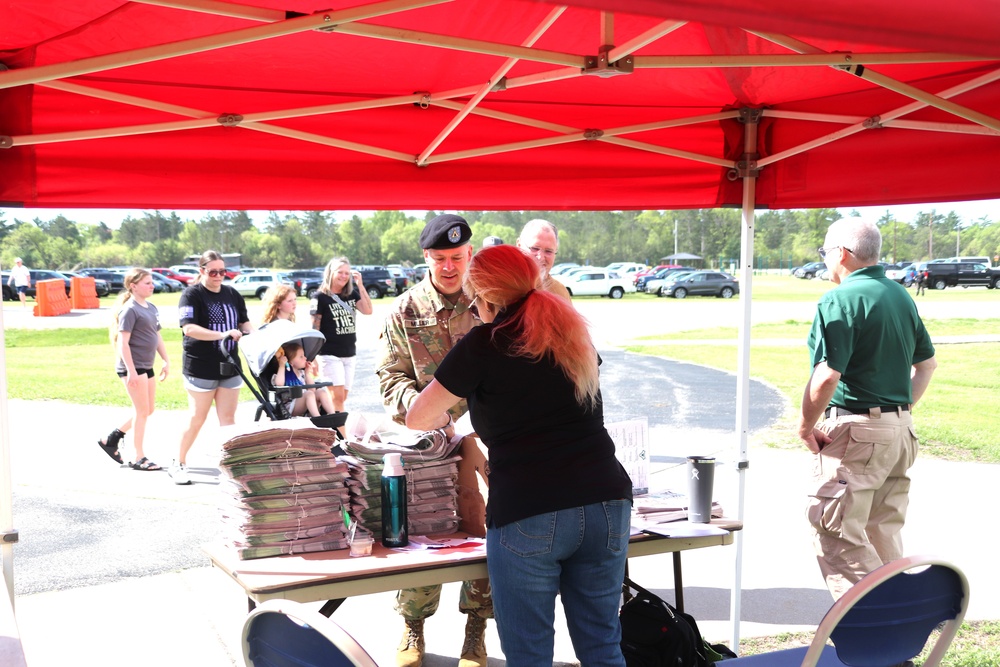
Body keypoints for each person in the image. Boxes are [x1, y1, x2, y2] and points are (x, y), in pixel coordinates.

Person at [406, 245, 633, 666]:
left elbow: (417, 416)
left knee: (529, 655)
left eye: (475, 301)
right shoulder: (571, 333)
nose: (475, 310)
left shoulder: (485, 343)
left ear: (488, 297)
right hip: (607, 499)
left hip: (530, 509)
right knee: (603, 645)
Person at [797, 219, 937, 600]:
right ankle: (899, 638)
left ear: (841, 253)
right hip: (899, 429)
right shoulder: (899, 294)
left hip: (857, 431)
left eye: (825, 253)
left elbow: (827, 376)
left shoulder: (839, 299)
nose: (825, 261)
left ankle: (881, 628)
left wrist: (805, 426)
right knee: (881, 532)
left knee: (835, 532)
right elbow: (926, 366)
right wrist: (898, 411)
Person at [376, 214, 492, 667]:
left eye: (458, 258)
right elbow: (390, 378)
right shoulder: (405, 311)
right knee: (426, 534)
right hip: (430, 445)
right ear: (425, 257)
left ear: (470, 255)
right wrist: (427, 413)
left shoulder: (487, 303)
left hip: (482, 442)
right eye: (440, 258)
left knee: (484, 538)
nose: (449, 267)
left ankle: (476, 633)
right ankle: (414, 624)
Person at [172, 250, 251, 485]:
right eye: (213, 271)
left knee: (228, 418)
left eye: (222, 271)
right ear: (202, 271)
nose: (218, 276)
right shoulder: (191, 295)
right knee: (197, 417)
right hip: (200, 366)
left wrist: (254, 337)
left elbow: (244, 322)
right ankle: (179, 462)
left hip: (229, 366)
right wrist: (223, 334)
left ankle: (229, 465)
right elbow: (189, 329)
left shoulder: (232, 294)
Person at [97, 268, 170, 471]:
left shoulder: (151, 307)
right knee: (141, 411)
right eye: (147, 282)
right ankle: (139, 457)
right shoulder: (130, 310)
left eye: (151, 282)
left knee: (148, 409)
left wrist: (166, 359)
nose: (152, 285)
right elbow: (123, 342)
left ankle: (111, 439)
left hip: (147, 366)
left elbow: (157, 336)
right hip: (133, 367)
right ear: (133, 286)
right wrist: (131, 371)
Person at [311, 257, 372, 413]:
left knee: (341, 399)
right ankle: (342, 435)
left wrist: (360, 285)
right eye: (340, 272)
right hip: (330, 354)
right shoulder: (320, 297)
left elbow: (368, 310)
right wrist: (313, 357)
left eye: (347, 273)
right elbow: (314, 329)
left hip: (349, 353)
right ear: (331, 273)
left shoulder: (351, 295)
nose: (344, 276)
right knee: (337, 400)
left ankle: (323, 420)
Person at [272, 342, 336, 418]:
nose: (305, 358)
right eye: (301, 357)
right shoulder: (281, 374)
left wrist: (307, 373)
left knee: (321, 392)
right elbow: (279, 384)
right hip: (291, 408)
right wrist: (282, 366)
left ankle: (333, 415)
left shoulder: (301, 373)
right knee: (308, 394)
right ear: (290, 362)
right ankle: (318, 417)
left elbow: (312, 389)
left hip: (307, 404)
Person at [516, 218, 571, 301]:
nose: (540, 257)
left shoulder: (560, 292)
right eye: (535, 248)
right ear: (519, 246)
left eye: (548, 251)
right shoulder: (501, 286)